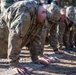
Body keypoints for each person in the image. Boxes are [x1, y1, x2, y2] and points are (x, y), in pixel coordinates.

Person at [0, 0, 61, 75]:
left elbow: (36, 38)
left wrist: (35, 58)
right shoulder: (25, 11)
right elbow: (15, 36)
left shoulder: (40, 15)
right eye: (45, 22)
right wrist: (14, 64)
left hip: (7, 37)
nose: (44, 24)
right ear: (43, 12)